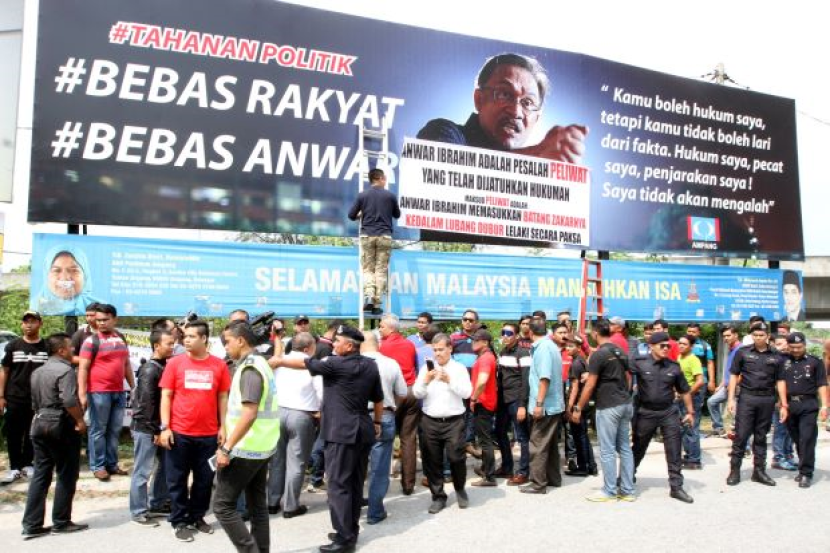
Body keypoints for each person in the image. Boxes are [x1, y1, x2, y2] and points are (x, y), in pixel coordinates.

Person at [271, 325, 383, 553]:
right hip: (362, 430)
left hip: (341, 433)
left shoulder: (335, 364)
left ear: (349, 346)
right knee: (354, 483)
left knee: (338, 485)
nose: (333, 344)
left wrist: (279, 361)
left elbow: (304, 363)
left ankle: (344, 539)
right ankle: (350, 530)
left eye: (338, 341)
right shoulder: (370, 365)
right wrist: (378, 422)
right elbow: (378, 398)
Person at [418, 53, 587, 163]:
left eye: (527, 103)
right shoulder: (441, 132)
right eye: (504, 94)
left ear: (537, 118)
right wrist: (538, 154)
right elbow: (446, 173)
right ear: (479, 99)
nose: (515, 112)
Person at [158, 320, 230, 542]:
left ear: (204, 338)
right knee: (176, 480)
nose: (186, 340)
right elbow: (166, 396)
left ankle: (197, 516)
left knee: (204, 480)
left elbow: (223, 397)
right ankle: (179, 521)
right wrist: (165, 427)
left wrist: (223, 426)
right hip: (179, 433)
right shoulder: (174, 363)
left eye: (191, 336)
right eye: (185, 336)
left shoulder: (219, 365)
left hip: (208, 435)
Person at [213, 321, 280, 553]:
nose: (225, 347)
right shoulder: (260, 363)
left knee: (222, 507)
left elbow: (249, 413)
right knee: (257, 505)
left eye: (228, 342)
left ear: (240, 341)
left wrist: (226, 448)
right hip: (261, 445)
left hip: (245, 448)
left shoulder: (250, 369)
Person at [21, 333, 88, 539]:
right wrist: (79, 420)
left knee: (41, 474)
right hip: (60, 425)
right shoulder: (66, 370)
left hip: (39, 423)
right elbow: (68, 400)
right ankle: (61, 521)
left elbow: (34, 401)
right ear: (61, 350)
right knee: (67, 473)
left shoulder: (38, 371)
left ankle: (31, 524)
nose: (73, 350)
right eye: (70, 347)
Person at [572, 319, 635, 502]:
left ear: (595, 333)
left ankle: (609, 491)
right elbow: (628, 378)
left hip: (608, 405)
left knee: (607, 450)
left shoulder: (599, 354)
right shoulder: (620, 351)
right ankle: (628, 490)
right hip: (625, 403)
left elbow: (590, 385)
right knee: (625, 448)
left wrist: (578, 407)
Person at [630, 332, 695, 503]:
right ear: (651, 346)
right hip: (646, 412)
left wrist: (690, 412)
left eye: (668, 346)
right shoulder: (639, 363)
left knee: (674, 450)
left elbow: (684, 390)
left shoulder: (674, 367)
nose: (666, 348)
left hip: (668, 412)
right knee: (638, 447)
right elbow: (619, 368)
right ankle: (627, 477)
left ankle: (676, 487)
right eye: (662, 345)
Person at [413, 333, 472, 515]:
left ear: (450, 349)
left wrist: (449, 381)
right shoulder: (426, 369)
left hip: (454, 421)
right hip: (430, 420)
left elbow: (467, 393)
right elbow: (417, 393)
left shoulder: (459, 369)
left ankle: (460, 489)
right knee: (432, 460)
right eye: (435, 350)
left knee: (456, 458)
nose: (437, 353)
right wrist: (425, 381)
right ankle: (438, 496)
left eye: (441, 349)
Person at [268, 332, 323, 517]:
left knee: (276, 460)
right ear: (307, 348)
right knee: (297, 462)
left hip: (277, 412)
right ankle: (290, 506)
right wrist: (320, 411)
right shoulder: (311, 365)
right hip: (301, 415)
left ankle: (272, 502)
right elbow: (321, 394)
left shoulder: (279, 362)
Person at [726, 321, 788, 486]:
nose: (758, 338)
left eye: (761, 335)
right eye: (755, 335)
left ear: (767, 336)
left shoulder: (776, 355)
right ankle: (734, 470)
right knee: (741, 435)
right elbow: (733, 375)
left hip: (767, 399)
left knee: (761, 436)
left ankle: (759, 471)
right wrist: (730, 399)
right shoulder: (743, 352)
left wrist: (784, 404)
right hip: (747, 398)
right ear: (751, 336)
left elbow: (781, 381)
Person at [77, 303, 134, 481]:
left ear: (114, 319)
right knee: (98, 430)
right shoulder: (90, 341)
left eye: (105, 320)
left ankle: (112, 464)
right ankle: (98, 466)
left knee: (115, 429)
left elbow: (126, 364)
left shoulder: (121, 338)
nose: (101, 323)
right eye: (99, 320)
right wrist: (82, 394)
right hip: (98, 392)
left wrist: (133, 387)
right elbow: (83, 368)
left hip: (118, 391)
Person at [129, 329, 176, 527]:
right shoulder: (150, 369)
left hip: (159, 427)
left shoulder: (163, 366)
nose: (172, 347)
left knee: (164, 467)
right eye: (169, 344)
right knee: (142, 471)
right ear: (156, 346)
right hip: (146, 428)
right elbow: (146, 403)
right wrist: (155, 430)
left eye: (173, 343)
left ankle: (157, 503)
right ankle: (138, 511)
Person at [361, 331, 406, 525]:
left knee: (355, 464)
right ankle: (375, 511)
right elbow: (402, 392)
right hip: (385, 414)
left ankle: (352, 507)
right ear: (378, 343)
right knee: (379, 468)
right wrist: (392, 407)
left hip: (358, 416)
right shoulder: (391, 363)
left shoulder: (351, 363)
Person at [1, 310, 48, 484]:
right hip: (14, 396)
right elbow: (4, 371)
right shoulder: (13, 346)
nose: (29, 325)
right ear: (22, 324)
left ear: (40, 324)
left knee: (33, 432)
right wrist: (1, 396)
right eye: (26, 321)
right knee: (13, 433)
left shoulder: (46, 346)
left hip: (38, 397)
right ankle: (14, 467)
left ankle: (28, 463)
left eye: (33, 321)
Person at [520, 318, 565, 494]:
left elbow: (544, 378)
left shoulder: (544, 348)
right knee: (550, 444)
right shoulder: (550, 346)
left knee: (537, 444)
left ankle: (538, 484)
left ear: (530, 332)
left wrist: (539, 404)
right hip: (553, 404)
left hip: (545, 405)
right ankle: (553, 478)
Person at [347, 167, 400, 315]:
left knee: (368, 269)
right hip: (384, 236)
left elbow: (351, 215)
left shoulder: (362, 195)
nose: (385, 181)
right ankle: (376, 305)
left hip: (367, 236)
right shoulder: (390, 196)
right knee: (381, 270)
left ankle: (369, 295)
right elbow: (397, 214)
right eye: (385, 178)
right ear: (380, 178)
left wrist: (361, 215)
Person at [779, 332, 829, 488]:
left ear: (805, 345)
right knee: (797, 439)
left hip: (808, 404)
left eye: (799, 347)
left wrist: (825, 405)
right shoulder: (782, 361)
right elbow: (780, 382)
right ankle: (803, 467)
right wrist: (783, 404)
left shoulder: (815, 362)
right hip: (790, 405)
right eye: (792, 347)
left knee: (807, 439)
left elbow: (822, 384)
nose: (795, 350)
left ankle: (807, 473)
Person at [378, 314, 420, 495]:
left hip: (393, 395)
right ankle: (408, 485)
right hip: (411, 391)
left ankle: (378, 484)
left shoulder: (382, 347)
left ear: (391, 328)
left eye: (382, 326)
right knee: (408, 438)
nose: (380, 329)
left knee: (382, 436)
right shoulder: (410, 344)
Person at [494, 322, 532, 485]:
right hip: (503, 399)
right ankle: (507, 467)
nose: (505, 336)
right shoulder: (503, 352)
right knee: (499, 431)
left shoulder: (523, 353)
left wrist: (522, 405)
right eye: (503, 332)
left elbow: (526, 381)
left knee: (522, 436)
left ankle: (524, 472)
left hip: (517, 399)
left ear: (516, 336)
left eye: (509, 333)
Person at [469, 329, 499, 487]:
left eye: (476, 340)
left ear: (485, 342)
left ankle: (489, 476)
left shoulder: (486, 358)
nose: (473, 342)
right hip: (483, 402)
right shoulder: (485, 356)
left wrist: (474, 398)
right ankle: (485, 469)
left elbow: (482, 381)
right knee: (484, 439)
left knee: (485, 441)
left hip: (483, 403)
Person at [450, 309, 481, 458]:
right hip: (458, 383)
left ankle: (469, 442)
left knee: (472, 413)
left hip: (475, 383)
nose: (467, 322)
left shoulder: (480, 339)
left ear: (476, 323)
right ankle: (458, 442)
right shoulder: (453, 338)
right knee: (458, 413)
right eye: (465, 319)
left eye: (471, 320)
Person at [565, 335, 597, 477]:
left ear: (578, 348)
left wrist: (570, 406)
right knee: (583, 435)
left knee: (579, 436)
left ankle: (583, 466)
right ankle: (591, 465)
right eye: (567, 346)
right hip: (584, 403)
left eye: (571, 346)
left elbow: (575, 386)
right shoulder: (582, 360)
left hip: (578, 403)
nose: (568, 348)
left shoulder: (576, 363)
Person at [35, 247, 101, 315]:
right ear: (46, 275)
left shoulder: (101, 308)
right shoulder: (35, 308)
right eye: (57, 270)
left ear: (85, 275)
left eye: (74, 270)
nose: (65, 278)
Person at [708, 325, 742, 438]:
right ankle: (719, 429)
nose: (726, 338)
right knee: (711, 402)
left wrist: (734, 384)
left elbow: (742, 372)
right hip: (726, 386)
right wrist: (721, 385)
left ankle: (739, 435)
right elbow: (729, 371)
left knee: (735, 411)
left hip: (737, 386)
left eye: (728, 335)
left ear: (736, 335)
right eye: (724, 336)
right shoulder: (731, 349)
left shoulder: (741, 350)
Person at [677, 335, 704, 469]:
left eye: (685, 344)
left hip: (692, 398)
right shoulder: (679, 357)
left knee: (692, 428)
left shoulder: (693, 360)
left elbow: (699, 381)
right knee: (684, 427)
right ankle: (689, 455)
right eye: (680, 343)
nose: (681, 346)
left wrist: (687, 394)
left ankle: (695, 460)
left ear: (691, 346)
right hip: (681, 397)